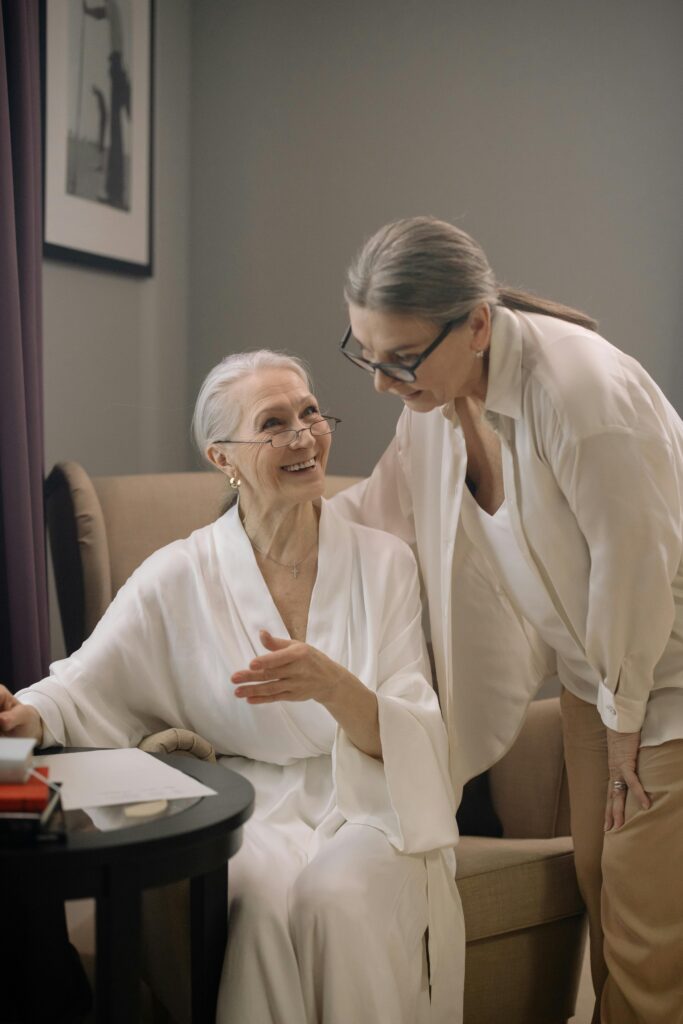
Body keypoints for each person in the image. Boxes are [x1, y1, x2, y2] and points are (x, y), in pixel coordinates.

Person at [0, 350, 463, 1024]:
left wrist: (333, 686)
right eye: (273, 423)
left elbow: (414, 733)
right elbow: (81, 683)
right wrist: (27, 717)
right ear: (223, 458)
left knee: (335, 898)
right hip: (249, 806)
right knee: (259, 912)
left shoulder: (383, 564)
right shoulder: (177, 575)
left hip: (368, 800)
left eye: (310, 413)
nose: (303, 437)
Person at [331, 216, 683, 1024]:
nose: (381, 381)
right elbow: (375, 513)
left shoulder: (581, 395)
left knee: (647, 937)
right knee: (602, 892)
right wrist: (256, 523)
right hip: (594, 683)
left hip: (660, 681)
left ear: (477, 323)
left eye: (399, 358)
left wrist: (625, 722)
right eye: (364, 353)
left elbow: (636, 569)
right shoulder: (435, 402)